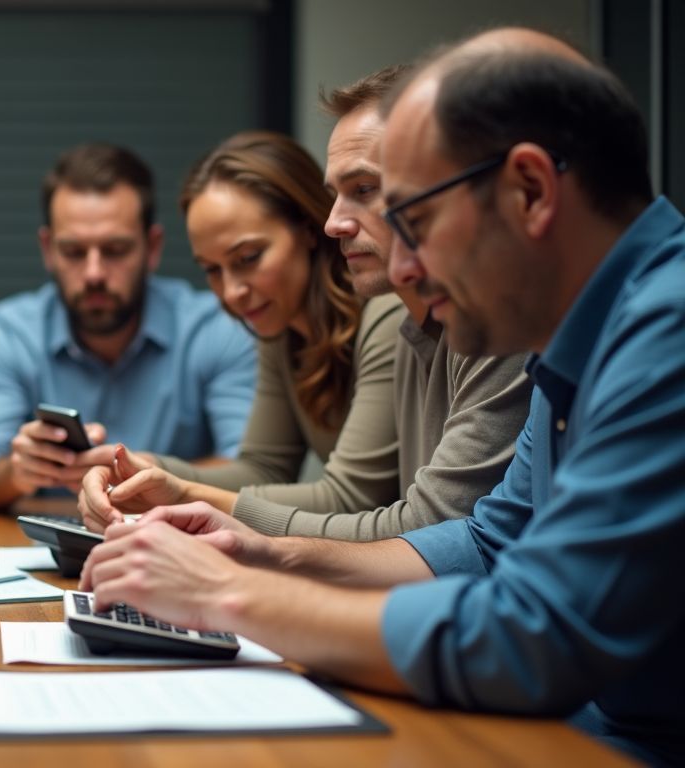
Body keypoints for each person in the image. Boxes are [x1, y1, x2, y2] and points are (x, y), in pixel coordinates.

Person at [80, 28, 685, 765]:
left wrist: (225, 595)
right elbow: (485, 542)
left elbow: (537, 633)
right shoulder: (576, 343)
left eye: (416, 223)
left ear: (530, 191)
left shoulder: (668, 330)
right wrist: (264, 550)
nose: (400, 270)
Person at [80, 132, 405, 532]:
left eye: (248, 258)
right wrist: (145, 469)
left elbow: (350, 499)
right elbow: (263, 468)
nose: (232, 292)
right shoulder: (282, 327)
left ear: (308, 227)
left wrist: (183, 492)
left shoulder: (387, 312)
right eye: (213, 270)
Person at [0, 142, 258, 509]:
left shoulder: (216, 328)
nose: (94, 273)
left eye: (115, 250)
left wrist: (150, 477)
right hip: (50, 553)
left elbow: (253, 473)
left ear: (152, 248)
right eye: (74, 252)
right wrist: (17, 472)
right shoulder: (12, 331)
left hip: (180, 545)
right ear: (48, 250)